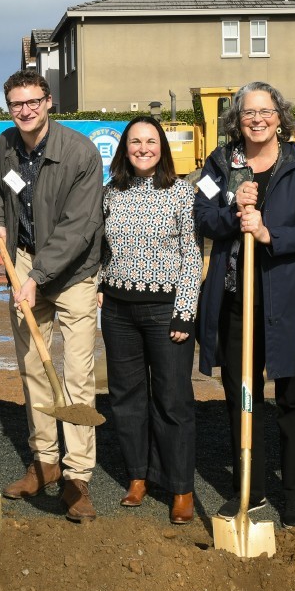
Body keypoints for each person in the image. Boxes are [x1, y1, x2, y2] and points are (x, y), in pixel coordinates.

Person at [194, 81, 295, 530]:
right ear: (237, 119)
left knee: (293, 399)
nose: (257, 119)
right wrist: (233, 215)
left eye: (265, 111)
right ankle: (251, 486)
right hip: (235, 301)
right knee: (241, 396)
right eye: (248, 113)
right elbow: (203, 216)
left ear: (280, 116)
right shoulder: (220, 163)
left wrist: (269, 234)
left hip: (284, 302)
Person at [0, 71, 105, 522]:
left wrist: (39, 276)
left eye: (32, 102)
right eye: (16, 104)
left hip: (73, 272)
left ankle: (77, 478)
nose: (25, 111)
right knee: (33, 368)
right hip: (23, 262)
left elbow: (80, 226)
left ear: (48, 101)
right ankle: (45, 462)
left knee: (76, 375)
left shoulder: (79, 152)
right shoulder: (3, 148)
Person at [99, 116, 200, 525]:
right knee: (125, 397)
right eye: (136, 141)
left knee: (173, 399)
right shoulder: (110, 194)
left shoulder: (182, 194)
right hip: (119, 312)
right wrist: (103, 284)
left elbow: (192, 255)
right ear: (125, 148)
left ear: (162, 148)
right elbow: (102, 247)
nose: (143, 148)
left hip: (166, 311)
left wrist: (185, 311)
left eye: (151, 141)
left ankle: (180, 487)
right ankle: (138, 476)